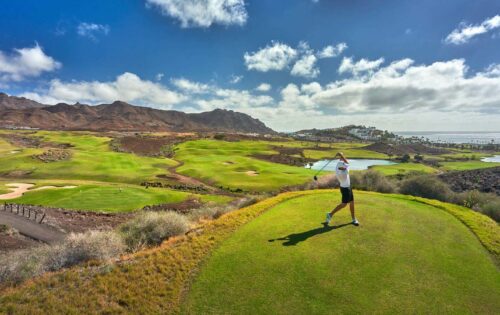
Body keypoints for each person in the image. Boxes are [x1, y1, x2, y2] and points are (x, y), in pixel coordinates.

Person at [325, 152, 359, 226]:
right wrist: (342, 155)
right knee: (344, 204)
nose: (345, 166)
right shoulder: (344, 172)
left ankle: (353, 219)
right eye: (343, 166)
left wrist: (341, 156)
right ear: (342, 168)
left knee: (352, 203)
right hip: (345, 189)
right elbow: (347, 163)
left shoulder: (338, 168)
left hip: (347, 187)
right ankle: (330, 214)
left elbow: (345, 163)